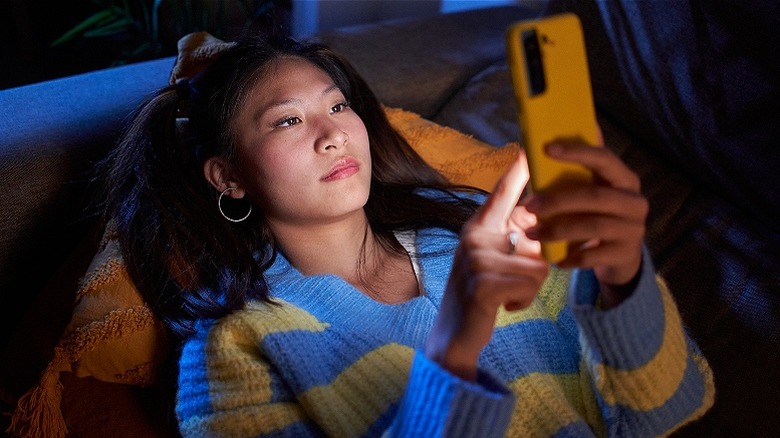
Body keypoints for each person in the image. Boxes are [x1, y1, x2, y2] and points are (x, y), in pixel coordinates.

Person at [100, 32, 714, 437]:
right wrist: (455, 342)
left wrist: (625, 279)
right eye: (288, 120)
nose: (333, 134)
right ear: (229, 176)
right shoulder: (235, 352)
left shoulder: (490, 236)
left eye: (338, 107)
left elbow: (667, 412)